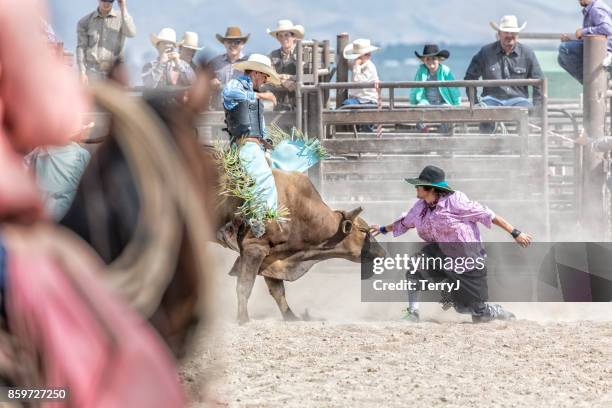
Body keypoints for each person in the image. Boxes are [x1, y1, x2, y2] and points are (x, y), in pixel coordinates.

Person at [370, 165, 532, 323]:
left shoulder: (456, 201)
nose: (416, 188)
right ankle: (412, 313)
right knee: (415, 267)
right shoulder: (420, 207)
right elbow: (405, 222)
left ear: (431, 188)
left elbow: (488, 215)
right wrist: (383, 229)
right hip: (440, 252)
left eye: (419, 185)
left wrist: (515, 233)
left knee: (473, 312)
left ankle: (493, 310)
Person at [222, 54, 280, 237]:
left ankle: (249, 219)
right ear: (256, 73)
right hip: (244, 145)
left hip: (254, 145)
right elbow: (227, 93)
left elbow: (259, 126)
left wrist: (267, 143)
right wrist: (259, 95)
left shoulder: (255, 98)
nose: (265, 80)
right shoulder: (236, 85)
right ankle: (261, 219)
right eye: (264, 76)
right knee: (265, 180)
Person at [464, 15, 544, 134]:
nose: (510, 36)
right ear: (499, 33)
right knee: (485, 112)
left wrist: (537, 108)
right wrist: (475, 103)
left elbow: (539, 82)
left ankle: (522, 147)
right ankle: (487, 147)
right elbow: (470, 77)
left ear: (517, 35)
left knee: (526, 114)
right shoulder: (485, 52)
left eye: (513, 32)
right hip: (491, 99)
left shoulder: (527, 53)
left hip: (519, 99)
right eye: (506, 32)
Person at [77, 0, 136, 84]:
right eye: (103, 0)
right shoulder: (84, 22)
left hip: (113, 74)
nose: (106, 3)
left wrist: (123, 7)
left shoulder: (122, 18)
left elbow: (131, 33)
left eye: (110, 0)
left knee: (114, 97)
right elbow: (81, 48)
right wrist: (82, 72)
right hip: (92, 73)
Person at [410, 44, 461, 134]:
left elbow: (453, 88)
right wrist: (413, 103)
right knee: (418, 110)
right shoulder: (421, 71)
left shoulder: (445, 71)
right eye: (427, 59)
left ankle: (446, 133)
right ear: (423, 60)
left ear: (439, 60)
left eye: (433, 58)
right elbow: (415, 87)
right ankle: (423, 133)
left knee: (447, 110)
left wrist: (457, 104)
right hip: (426, 101)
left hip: (442, 101)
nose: (430, 61)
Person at [558, 0, 612, 84]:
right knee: (561, 59)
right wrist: (571, 39)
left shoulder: (596, 8)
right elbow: (593, 35)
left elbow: (607, 29)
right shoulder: (594, 8)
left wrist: (583, 31)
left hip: (605, 49)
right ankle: (592, 83)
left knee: (564, 48)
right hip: (595, 46)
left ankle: (592, 83)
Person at [266, 19, 306, 111]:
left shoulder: (303, 53)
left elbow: (304, 76)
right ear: (278, 38)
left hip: (301, 105)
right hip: (279, 105)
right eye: (280, 36)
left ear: (294, 36)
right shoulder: (272, 55)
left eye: (286, 35)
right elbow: (268, 76)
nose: (283, 38)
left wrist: (281, 78)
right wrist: (285, 82)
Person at [342, 38, 380, 132]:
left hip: (369, 101)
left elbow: (358, 82)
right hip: (357, 100)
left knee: (366, 121)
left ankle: (366, 137)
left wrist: (356, 66)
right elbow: (349, 63)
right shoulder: (358, 65)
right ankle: (352, 132)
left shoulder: (370, 67)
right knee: (345, 106)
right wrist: (356, 65)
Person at [209, 26, 250, 109]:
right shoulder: (214, 63)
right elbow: (203, 82)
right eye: (229, 41)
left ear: (242, 44)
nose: (233, 44)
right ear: (224, 43)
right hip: (218, 112)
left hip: (242, 111)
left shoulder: (250, 63)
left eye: (237, 42)